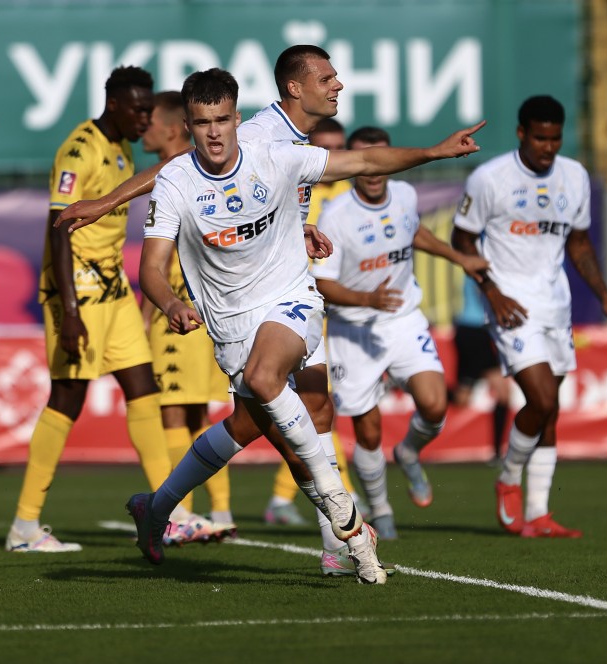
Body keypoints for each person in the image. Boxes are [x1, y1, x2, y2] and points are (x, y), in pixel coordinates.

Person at [126, 67, 484, 584]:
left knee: (285, 390)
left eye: (222, 120)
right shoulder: (177, 180)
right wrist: (169, 304)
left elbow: (363, 161)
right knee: (249, 424)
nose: (214, 133)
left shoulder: (274, 153)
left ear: (236, 117)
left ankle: (341, 525)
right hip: (232, 321)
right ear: (188, 125)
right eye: (202, 123)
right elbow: (152, 269)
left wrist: (433, 152)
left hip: (291, 295)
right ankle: (156, 509)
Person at [55, 46, 374, 577]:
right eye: (327, 78)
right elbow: (173, 169)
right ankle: (339, 538)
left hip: (288, 287)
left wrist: (297, 227)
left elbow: (265, 199)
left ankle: (161, 509)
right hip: (246, 305)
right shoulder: (260, 131)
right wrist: (107, 203)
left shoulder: (292, 139)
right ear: (296, 89)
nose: (337, 85)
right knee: (278, 425)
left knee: (294, 413)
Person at [3, 66, 172, 553]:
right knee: (67, 397)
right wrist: (71, 311)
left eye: (149, 110)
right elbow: (58, 228)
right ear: (113, 104)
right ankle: (24, 526)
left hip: (113, 290)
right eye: (138, 110)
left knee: (143, 388)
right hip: (76, 292)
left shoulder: (122, 148)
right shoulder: (80, 150)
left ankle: (171, 509)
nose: (146, 119)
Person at [451, 95, 607, 538]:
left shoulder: (574, 176)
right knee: (543, 399)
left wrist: (606, 298)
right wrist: (491, 293)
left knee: (549, 411)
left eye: (555, 138)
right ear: (521, 134)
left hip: (555, 304)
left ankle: (538, 513)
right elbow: (462, 241)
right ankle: (509, 477)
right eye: (539, 138)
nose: (548, 147)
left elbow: (580, 244)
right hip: (510, 306)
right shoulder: (490, 178)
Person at [312, 126, 489, 541]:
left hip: (404, 320)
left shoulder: (405, 195)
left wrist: (458, 257)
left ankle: (408, 451)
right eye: (365, 160)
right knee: (368, 431)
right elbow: (322, 283)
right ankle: (381, 507)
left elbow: (413, 231)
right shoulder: (336, 214)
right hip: (353, 330)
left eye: (381, 158)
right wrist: (366, 299)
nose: (374, 170)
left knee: (435, 404)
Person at [139, 90, 236, 545]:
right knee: (199, 411)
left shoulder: (176, 174)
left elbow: (159, 262)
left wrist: (148, 313)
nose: (143, 130)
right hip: (211, 306)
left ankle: (181, 515)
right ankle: (220, 510)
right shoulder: (210, 168)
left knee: (174, 411)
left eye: (150, 122)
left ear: (172, 127)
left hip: (181, 308)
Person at [262, 115, 364, 534]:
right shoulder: (294, 187)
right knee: (308, 405)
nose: (332, 157)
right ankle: (341, 498)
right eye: (326, 150)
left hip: (341, 308)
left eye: (339, 149)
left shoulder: (347, 194)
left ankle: (293, 498)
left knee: (317, 407)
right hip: (295, 306)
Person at [450, 275, 512, 465]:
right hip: (474, 333)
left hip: (471, 332)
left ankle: (413, 388)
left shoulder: (478, 267)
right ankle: (497, 453)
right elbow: (485, 294)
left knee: (461, 399)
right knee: (503, 393)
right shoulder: (481, 269)